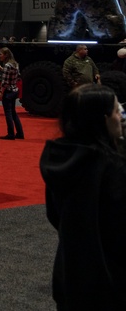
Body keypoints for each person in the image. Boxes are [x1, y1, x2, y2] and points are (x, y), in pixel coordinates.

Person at [39, 84, 126, 309]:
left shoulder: (57, 159)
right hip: (110, 281)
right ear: (104, 119)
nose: (121, 117)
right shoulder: (112, 168)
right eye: (117, 111)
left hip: (69, 275)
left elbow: (54, 215)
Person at [0, 47, 24, 140]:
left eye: (0, 54)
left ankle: (10, 134)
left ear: (6, 55)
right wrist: (2, 69)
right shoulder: (15, 64)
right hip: (14, 90)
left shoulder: (7, 65)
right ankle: (20, 133)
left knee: (8, 114)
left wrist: (1, 93)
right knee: (14, 113)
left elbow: (5, 82)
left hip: (8, 92)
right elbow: (15, 76)